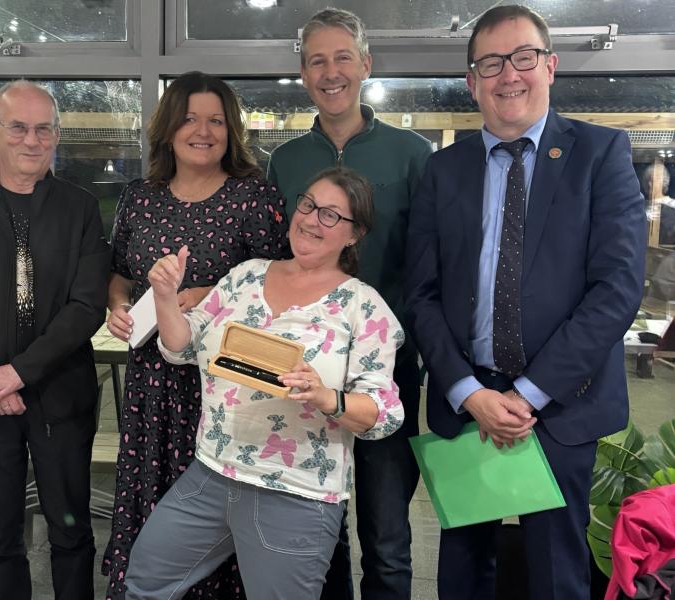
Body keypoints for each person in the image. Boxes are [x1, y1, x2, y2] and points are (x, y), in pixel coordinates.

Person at [405, 6, 646, 599]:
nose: (508, 74)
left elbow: (616, 291)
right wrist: (469, 392)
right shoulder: (442, 170)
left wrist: (528, 393)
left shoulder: (601, 154)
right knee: (462, 575)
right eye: (490, 63)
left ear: (550, 66)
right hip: (469, 407)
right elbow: (422, 294)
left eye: (523, 57)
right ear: (471, 80)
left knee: (556, 578)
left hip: (560, 407)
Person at [124, 167, 406, 599]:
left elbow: (383, 415)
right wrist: (165, 296)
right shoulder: (246, 276)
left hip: (294, 492)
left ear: (355, 234)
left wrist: (326, 397)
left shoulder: (364, 308)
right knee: (146, 578)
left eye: (331, 215)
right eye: (308, 204)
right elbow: (181, 346)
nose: (311, 219)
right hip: (214, 471)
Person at [102, 71, 289, 600]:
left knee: (214, 513)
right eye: (189, 118)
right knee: (150, 494)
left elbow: (278, 288)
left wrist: (204, 295)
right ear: (168, 128)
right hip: (151, 383)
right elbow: (118, 272)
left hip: (219, 385)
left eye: (215, 121)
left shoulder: (253, 196)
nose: (202, 131)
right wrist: (117, 305)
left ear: (231, 130)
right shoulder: (140, 196)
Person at [266, 8, 432, 599]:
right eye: (316, 61)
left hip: (384, 376)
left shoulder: (413, 155)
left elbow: (429, 265)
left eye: (342, 57)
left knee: (387, 536)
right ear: (303, 73)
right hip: (305, 376)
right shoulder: (284, 161)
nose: (330, 72)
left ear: (365, 64)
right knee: (319, 531)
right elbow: (274, 260)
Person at [0, 80, 110, 600]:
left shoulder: (79, 207)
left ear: (55, 136)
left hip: (59, 392)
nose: (32, 140)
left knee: (71, 531)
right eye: (18, 127)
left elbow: (86, 305)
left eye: (44, 129)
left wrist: (21, 372)